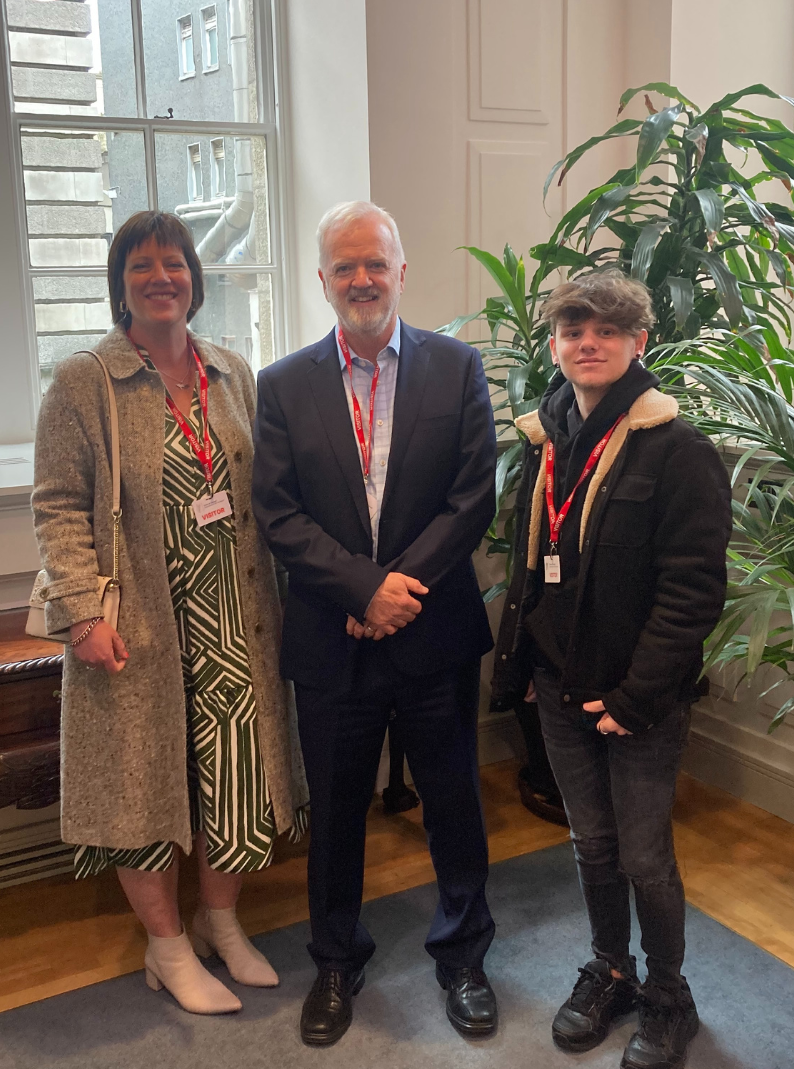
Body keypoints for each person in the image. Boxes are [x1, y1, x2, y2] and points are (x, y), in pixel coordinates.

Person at [32, 210, 308, 1016]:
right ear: (120, 284)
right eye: (142, 265)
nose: (162, 278)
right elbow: (57, 505)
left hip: (237, 618)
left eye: (175, 263)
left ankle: (220, 922)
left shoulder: (231, 371)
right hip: (138, 626)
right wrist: (83, 615)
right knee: (142, 785)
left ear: (195, 277)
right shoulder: (86, 380)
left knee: (235, 776)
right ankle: (167, 946)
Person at [252, 200, 499, 1045]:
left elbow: (473, 498)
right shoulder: (283, 385)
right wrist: (363, 591)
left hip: (434, 632)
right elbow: (278, 514)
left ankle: (463, 956)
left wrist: (397, 592)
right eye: (345, 266)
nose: (362, 279)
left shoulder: (457, 367)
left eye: (375, 263)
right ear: (322, 280)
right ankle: (335, 959)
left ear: (401, 271)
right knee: (335, 812)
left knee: (454, 801)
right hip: (333, 636)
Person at [491, 270, 731, 1069]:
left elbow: (692, 594)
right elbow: (534, 567)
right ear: (554, 343)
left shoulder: (678, 449)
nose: (587, 343)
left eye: (606, 330)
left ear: (638, 342)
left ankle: (668, 996)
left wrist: (633, 699)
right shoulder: (547, 438)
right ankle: (612, 970)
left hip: (640, 701)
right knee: (592, 844)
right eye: (573, 330)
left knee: (644, 858)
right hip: (559, 686)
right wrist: (527, 666)